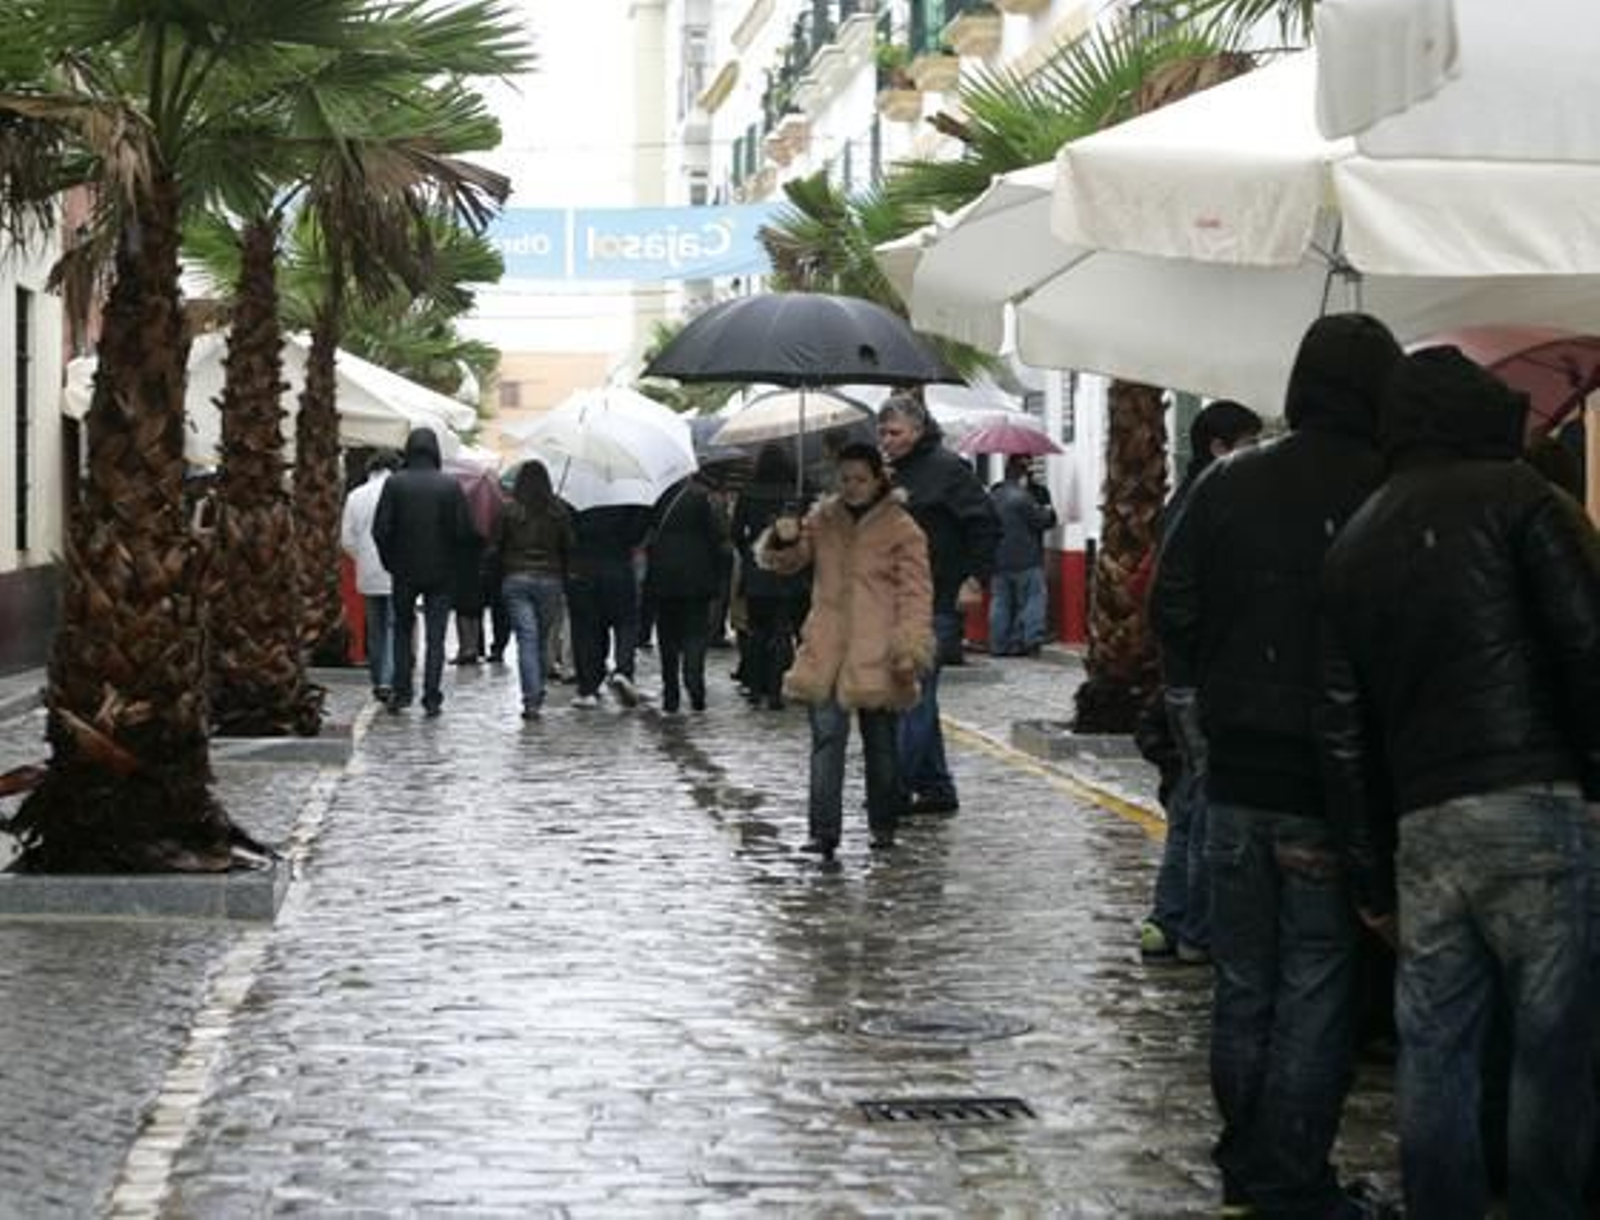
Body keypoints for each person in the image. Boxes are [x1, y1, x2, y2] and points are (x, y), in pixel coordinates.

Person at [1319, 346, 1600, 1219]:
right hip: (1539, 805)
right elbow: (1588, 650)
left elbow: (1342, 728)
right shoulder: (1526, 501)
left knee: (1436, 1044)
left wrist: (1370, 876)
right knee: (1553, 1047)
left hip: (1424, 828)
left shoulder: (1358, 536)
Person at [1152, 313, 1403, 1218]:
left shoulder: (1230, 480)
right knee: (1316, 986)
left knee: (1246, 982)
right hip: (1326, 780)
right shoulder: (1387, 485)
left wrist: (1203, 712)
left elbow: (1170, 605)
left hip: (1235, 775)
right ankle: (1290, 1178)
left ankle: (1246, 1164)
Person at [757, 442, 933, 861]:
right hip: (827, 650)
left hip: (878, 651)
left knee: (881, 746)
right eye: (845, 478)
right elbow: (787, 563)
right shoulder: (822, 520)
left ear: (878, 479)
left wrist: (909, 645)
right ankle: (823, 831)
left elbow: (916, 593)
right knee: (826, 741)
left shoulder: (902, 528)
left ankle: (883, 824)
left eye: (860, 479)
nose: (851, 487)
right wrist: (784, 539)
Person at [1138, 400, 1263, 964]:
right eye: (1248, 441)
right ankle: (1197, 930)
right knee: (1210, 801)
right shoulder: (1215, 502)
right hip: (1202, 675)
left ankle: (1170, 919)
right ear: (1219, 446)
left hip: (1183, 674)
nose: (1256, 452)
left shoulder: (1183, 502)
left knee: (1190, 800)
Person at [877, 392, 999, 816]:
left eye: (895, 432)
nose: (887, 440)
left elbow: (985, 523)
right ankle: (936, 786)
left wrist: (975, 578)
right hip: (896, 598)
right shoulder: (888, 475)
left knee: (914, 694)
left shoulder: (948, 470)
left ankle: (894, 785)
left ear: (917, 429)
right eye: (883, 433)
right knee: (915, 693)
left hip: (937, 598)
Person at [372, 427, 478, 717]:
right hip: (442, 573)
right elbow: (465, 532)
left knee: (402, 631)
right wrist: (455, 564)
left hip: (404, 571)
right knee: (436, 637)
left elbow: (380, 530)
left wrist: (390, 562)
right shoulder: (449, 485)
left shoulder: (395, 484)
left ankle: (402, 691)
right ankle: (432, 696)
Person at [730, 443, 810, 710]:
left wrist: (752, 550)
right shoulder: (797, 492)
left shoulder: (749, 492)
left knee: (757, 632)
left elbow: (735, 531)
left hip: (758, 571)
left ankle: (755, 687)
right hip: (790, 569)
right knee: (783, 631)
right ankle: (777, 690)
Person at [493, 459, 574, 720]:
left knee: (526, 638)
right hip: (550, 579)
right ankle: (535, 692)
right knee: (540, 637)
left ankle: (532, 698)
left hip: (515, 579)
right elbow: (569, 545)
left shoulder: (508, 511)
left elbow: (496, 545)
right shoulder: (558, 510)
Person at [643, 474, 727, 714]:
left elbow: (646, 533)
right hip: (696, 577)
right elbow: (716, 537)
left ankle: (671, 694)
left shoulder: (656, 498)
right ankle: (694, 682)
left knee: (667, 637)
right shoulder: (700, 497)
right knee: (695, 632)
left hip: (664, 575)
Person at [566, 502, 652, 709]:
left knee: (589, 628)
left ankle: (589, 686)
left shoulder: (576, 496)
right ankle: (623, 670)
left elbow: (566, 531)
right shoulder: (628, 498)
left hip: (584, 568)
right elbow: (637, 534)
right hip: (618, 566)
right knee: (625, 623)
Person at [340, 449, 401, 703]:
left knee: (375, 628)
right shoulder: (399, 492)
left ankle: (379, 677)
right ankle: (388, 680)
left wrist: (361, 557)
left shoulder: (355, 496)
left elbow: (347, 539)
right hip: (396, 568)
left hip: (367, 570)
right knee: (393, 626)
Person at [987, 455, 1057, 657]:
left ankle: (999, 645)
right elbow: (1041, 521)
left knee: (1000, 602)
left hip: (998, 558)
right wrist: (1047, 511)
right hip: (1026, 558)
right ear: (1022, 476)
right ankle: (1029, 640)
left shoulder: (994, 495)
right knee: (1033, 599)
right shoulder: (1023, 497)